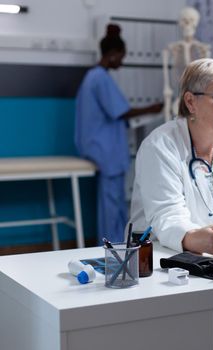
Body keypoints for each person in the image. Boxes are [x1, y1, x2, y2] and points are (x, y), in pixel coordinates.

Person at [129, 57, 213, 254]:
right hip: (162, 255)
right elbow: (167, 215)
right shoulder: (160, 146)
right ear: (190, 102)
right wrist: (192, 237)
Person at [75, 24, 163, 244]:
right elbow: (120, 111)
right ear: (112, 55)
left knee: (110, 201)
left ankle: (115, 241)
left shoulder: (92, 77)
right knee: (111, 202)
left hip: (97, 145)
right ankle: (113, 245)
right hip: (106, 150)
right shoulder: (100, 78)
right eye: (121, 57)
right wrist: (153, 108)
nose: (122, 62)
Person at [162, 6, 211, 123]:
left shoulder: (203, 49)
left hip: (198, 95)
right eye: (184, 21)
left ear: (196, 23)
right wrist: (167, 89)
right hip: (178, 95)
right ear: (180, 23)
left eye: (191, 21)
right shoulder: (170, 49)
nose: (188, 24)